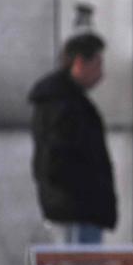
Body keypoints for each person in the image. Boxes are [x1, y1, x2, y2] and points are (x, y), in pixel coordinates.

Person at [28, 32, 117, 245]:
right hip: (76, 212)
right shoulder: (66, 105)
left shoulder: (64, 101)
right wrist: (88, 192)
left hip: (75, 210)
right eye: (97, 65)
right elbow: (56, 161)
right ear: (79, 63)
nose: (101, 74)